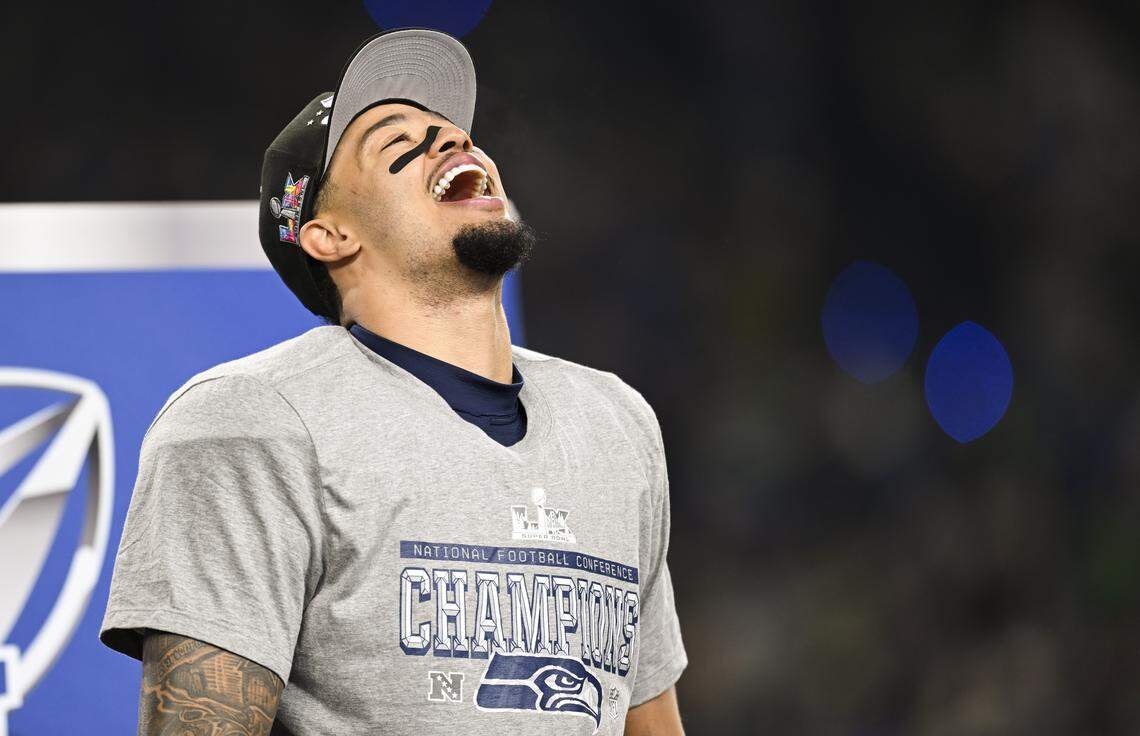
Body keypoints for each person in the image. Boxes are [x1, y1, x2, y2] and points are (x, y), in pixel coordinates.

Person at [99, 27, 687, 735]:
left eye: (455, 131)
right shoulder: (251, 422)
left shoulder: (616, 423)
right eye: (396, 142)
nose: (454, 141)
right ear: (329, 234)